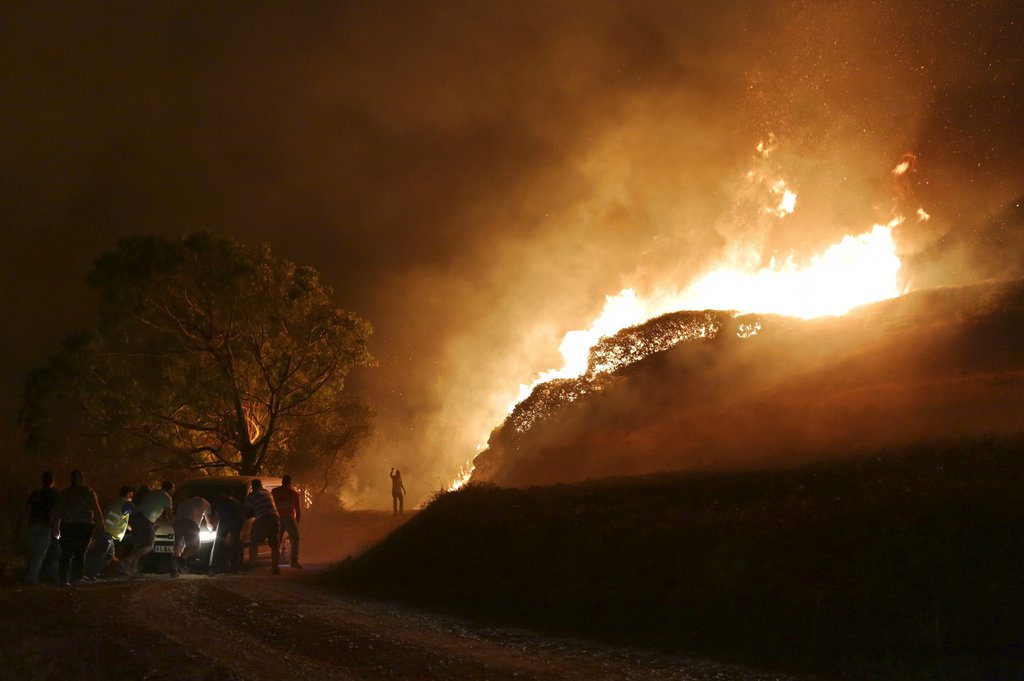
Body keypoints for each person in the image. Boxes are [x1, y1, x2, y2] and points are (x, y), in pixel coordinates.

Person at [52, 470, 104, 586]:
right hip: (84, 525)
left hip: (68, 525)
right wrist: (101, 525)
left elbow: (58, 512)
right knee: (80, 552)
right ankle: (77, 578)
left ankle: (63, 578)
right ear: (82, 479)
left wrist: (56, 526)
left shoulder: (65, 493)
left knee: (67, 552)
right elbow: (96, 510)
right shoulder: (88, 492)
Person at [122, 480, 174, 576]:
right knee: (149, 545)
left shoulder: (152, 492)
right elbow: (169, 515)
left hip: (134, 517)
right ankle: (127, 560)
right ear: (171, 489)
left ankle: (133, 571)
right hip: (144, 519)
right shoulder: (167, 498)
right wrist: (174, 524)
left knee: (140, 545)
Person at [86, 485, 135, 579]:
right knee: (100, 554)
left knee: (109, 555)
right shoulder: (126, 504)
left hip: (105, 532)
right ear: (128, 494)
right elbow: (137, 513)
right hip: (106, 533)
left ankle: (92, 573)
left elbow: (121, 521)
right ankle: (86, 573)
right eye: (132, 494)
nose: (132, 497)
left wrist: (131, 528)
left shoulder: (115, 502)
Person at [23, 471, 58, 584]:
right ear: (52, 481)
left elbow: (28, 509)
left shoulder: (35, 494)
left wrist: (23, 524)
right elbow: (55, 512)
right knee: (39, 553)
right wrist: (55, 527)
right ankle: (32, 578)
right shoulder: (54, 495)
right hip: (45, 525)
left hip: (33, 524)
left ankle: (29, 575)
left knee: (32, 551)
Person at [170, 495, 212, 577]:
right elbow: (209, 523)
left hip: (177, 523)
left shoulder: (184, 502)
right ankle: (181, 563)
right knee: (195, 546)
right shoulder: (206, 503)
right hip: (191, 523)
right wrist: (212, 530)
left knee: (178, 545)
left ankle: (174, 568)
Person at [245, 479, 280, 575]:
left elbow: (247, 511)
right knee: (274, 544)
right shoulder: (267, 493)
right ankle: (275, 568)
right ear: (261, 485)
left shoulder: (252, 496)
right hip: (275, 518)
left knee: (253, 541)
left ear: (253, 487)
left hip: (262, 518)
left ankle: (251, 565)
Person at [271, 474, 302, 568]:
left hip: (278, 518)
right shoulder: (293, 493)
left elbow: (272, 505)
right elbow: (298, 510)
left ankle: (274, 563)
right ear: (290, 482)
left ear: (282, 481)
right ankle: (294, 561)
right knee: (295, 538)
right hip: (289, 518)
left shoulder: (275, 492)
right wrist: (297, 522)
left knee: (277, 541)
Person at [210, 492, 244, 574]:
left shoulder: (219, 502)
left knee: (218, 543)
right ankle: (233, 568)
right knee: (234, 544)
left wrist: (214, 527)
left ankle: (213, 568)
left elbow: (217, 515)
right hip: (237, 522)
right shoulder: (235, 501)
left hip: (225, 521)